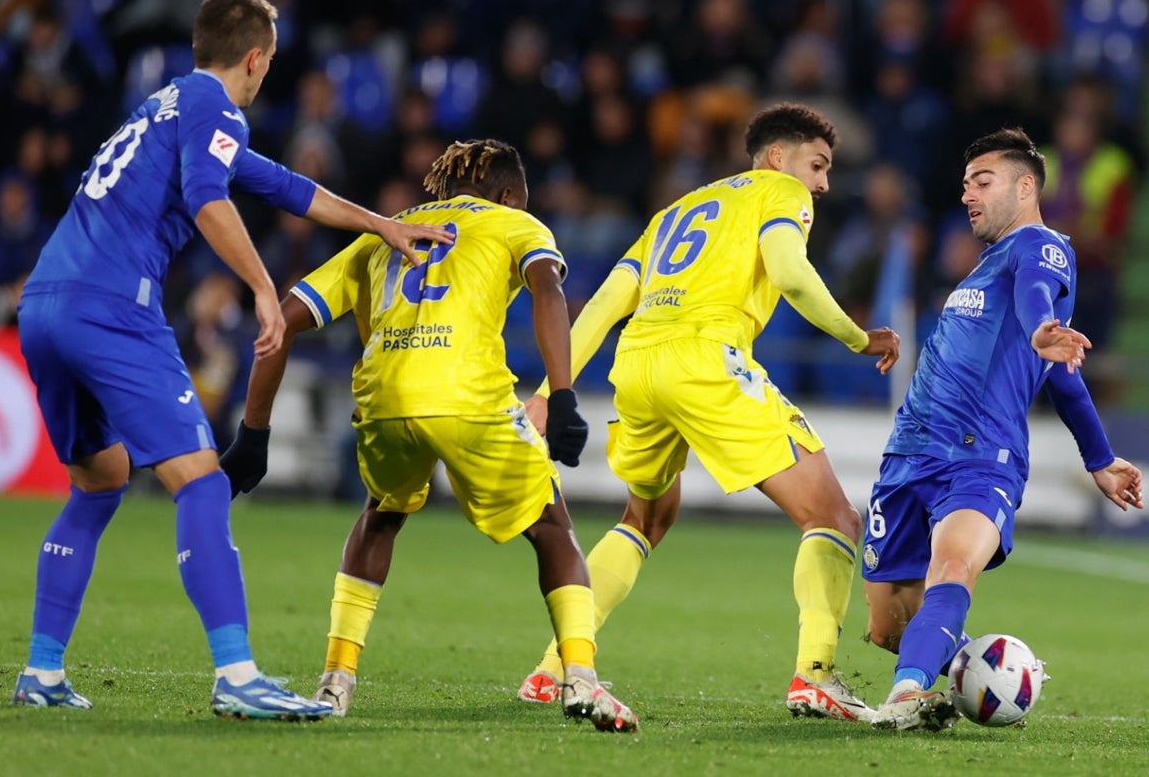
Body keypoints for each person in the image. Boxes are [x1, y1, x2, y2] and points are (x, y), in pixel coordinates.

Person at [11, 0, 453, 720]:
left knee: (99, 481)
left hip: (46, 304)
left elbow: (281, 184)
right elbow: (210, 197)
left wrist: (382, 226)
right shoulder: (217, 106)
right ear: (255, 59)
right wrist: (259, 286)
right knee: (204, 485)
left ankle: (42, 672)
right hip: (115, 306)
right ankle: (237, 674)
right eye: (268, 64)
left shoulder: (164, 106)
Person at [220, 138, 639, 733]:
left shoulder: (381, 231)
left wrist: (253, 431)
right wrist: (564, 395)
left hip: (384, 395)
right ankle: (580, 678)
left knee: (380, 514)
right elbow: (549, 289)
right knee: (551, 526)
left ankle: (336, 682)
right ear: (509, 194)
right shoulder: (515, 223)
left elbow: (280, 321)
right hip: (467, 394)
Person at [515, 102, 901, 722]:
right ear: (779, 157)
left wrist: (549, 390)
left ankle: (553, 667)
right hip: (704, 360)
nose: (824, 184)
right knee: (832, 515)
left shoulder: (679, 209)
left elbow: (606, 303)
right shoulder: (779, 191)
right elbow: (790, 272)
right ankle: (816, 676)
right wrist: (858, 337)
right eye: (819, 165)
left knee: (645, 516)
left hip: (637, 364)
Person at [862, 127, 1144, 731]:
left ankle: (906, 697)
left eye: (982, 182)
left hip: (978, 454)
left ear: (1025, 185)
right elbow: (1061, 378)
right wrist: (1100, 458)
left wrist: (1043, 325)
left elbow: (1039, 299)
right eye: (965, 185)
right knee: (888, 625)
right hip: (910, 451)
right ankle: (990, 671)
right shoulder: (984, 269)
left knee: (953, 566)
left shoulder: (1039, 247)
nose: (968, 195)